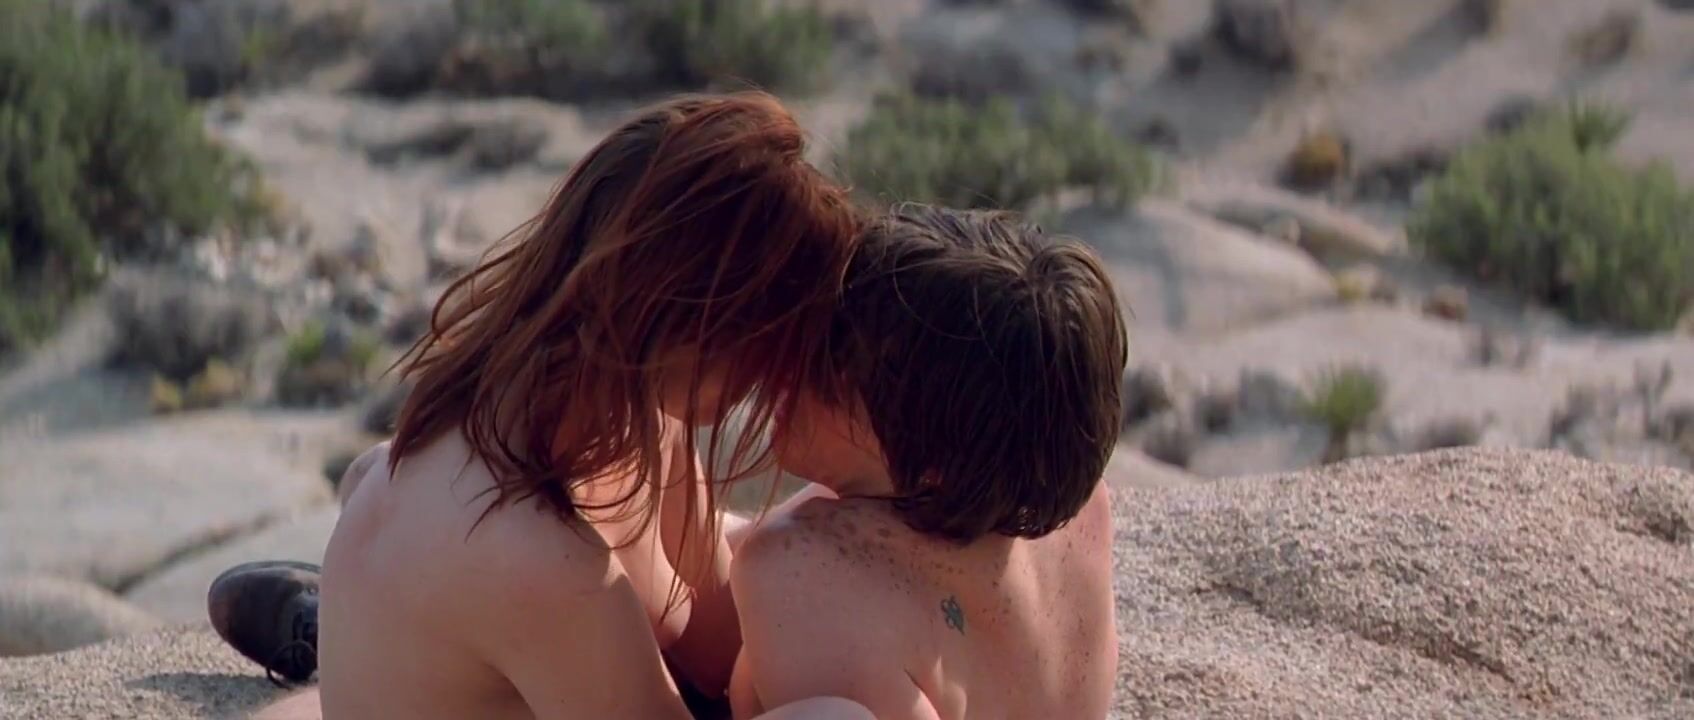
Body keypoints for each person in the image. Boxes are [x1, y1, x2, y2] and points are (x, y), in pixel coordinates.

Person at [207, 92, 874, 720]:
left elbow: (719, 646)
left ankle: (334, 629)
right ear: (689, 317)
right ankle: (338, 638)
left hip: (497, 607)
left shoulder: (633, 421)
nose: (775, 370)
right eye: (770, 332)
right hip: (502, 598)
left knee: (794, 557)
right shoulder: (537, 558)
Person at [726, 205, 1129, 720]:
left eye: (836, 367)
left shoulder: (801, 569)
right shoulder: (1076, 513)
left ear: (935, 453)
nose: (790, 367)